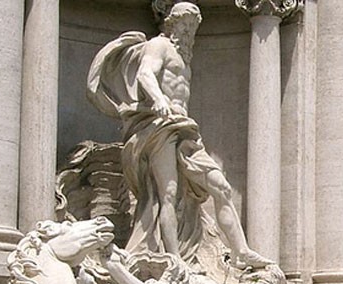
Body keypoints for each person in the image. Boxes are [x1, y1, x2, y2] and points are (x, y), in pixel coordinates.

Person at [87, 1, 271, 268]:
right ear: (171, 24)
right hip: (160, 126)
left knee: (221, 187)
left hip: (184, 129)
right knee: (168, 195)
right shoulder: (158, 45)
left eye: (192, 28)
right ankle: (174, 261)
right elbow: (145, 74)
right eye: (184, 26)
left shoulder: (184, 58)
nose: (188, 33)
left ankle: (241, 251)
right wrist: (159, 98)